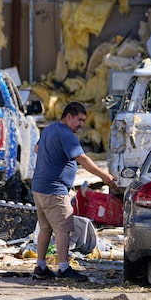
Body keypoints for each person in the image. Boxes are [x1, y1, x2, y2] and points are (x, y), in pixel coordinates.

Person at [31, 101, 118, 281]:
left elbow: (37, 148)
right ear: (68, 117)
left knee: (45, 229)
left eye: (83, 121)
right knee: (63, 229)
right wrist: (105, 177)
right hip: (55, 189)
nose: (81, 125)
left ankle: (40, 266)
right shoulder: (66, 134)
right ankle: (63, 268)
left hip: (39, 187)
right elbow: (83, 159)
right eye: (79, 120)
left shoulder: (49, 129)